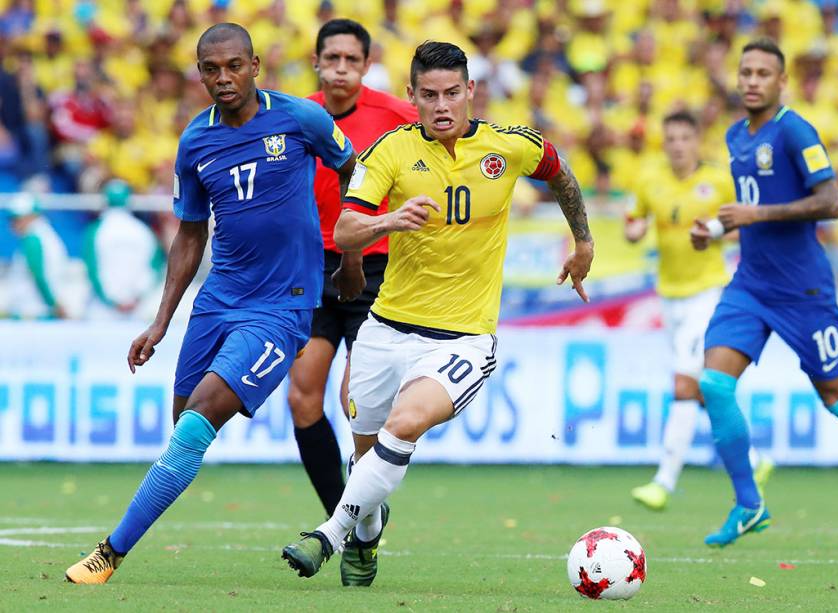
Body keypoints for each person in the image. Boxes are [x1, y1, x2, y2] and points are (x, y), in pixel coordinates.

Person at [281, 41, 594, 583]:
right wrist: (390, 220)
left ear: (471, 91)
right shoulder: (389, 151)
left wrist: (583, 242)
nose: (442, 105)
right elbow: (348, 229)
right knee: (365, 452)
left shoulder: (510, 146)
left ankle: (330, 534)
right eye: (429, 95)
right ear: (412, 96)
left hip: (462, 339)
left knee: (404, 425)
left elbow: (562, 175)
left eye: (453, 93)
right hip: (385, 328)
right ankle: (365, 535)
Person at [65, 23, 356, 584]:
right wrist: (161, 321)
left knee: (197, 421)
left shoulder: (300, 119)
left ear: (254, 66)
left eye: (233, 66)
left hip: (282, 306)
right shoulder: (196, 140)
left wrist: (347, 255)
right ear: (199, 73)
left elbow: (356, 176)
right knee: (182, 428)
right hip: (218, 297)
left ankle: (110, 553)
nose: (223, 78)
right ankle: (362, 517)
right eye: (210, 69)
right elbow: (190, 234)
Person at [690, 38, 838, 550]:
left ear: (781, 82)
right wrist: (716, 229)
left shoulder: (796, 130)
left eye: (763, 73)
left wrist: (754, 216)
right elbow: (753, 202)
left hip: (804, 291)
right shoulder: (736, 134)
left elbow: (831, 202)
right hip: (751, 285)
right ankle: (748, 504)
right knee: (714, 385)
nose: (752, 80)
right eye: (746, 72)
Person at [286, 19, 417, 549]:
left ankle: (355, 518)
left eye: (351, 60)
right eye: (331, 58)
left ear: (366, 65)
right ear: (316, 62)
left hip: (377, 269)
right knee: (302, 398)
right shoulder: (297, 117)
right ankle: (348, 518)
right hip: (311, 268)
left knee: (355, 402)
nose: (341, 68)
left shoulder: (397, 116)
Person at [626, 111, 772, 511]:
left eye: (684, 138)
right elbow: (633, 221)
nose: (677, 145)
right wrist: (634, 230)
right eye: (670, 138)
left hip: (708, 292)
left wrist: (717, 234)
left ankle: (663, 482)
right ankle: (754, 460)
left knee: (684, 384)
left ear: (696, 140)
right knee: (705, 388)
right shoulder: (648, 180)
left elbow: (750, 225)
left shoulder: (719, 181)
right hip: (669, 294)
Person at [83, 179, 163, 320]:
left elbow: (92, 269)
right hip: (137, 310)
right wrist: (137, 298)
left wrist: (111, 301)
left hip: (102, 311)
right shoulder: (144, 231)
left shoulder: (96, 231)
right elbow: (155, 268)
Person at [5, 192, 69, 319]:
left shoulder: (33, 238)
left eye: (17, 219)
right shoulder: (47, 235)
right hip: (38, 310)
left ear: (31, 216)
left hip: (32, 312)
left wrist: (54, 304)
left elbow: (38, 275)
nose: (12, 224)